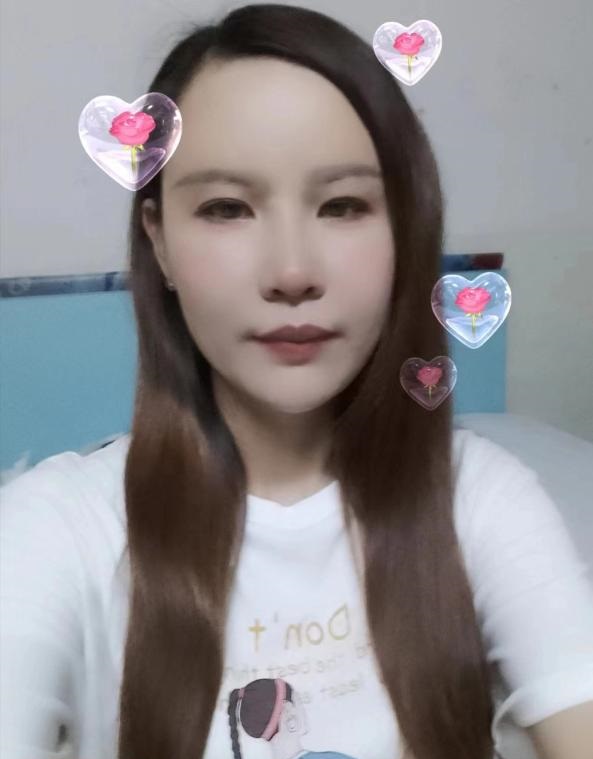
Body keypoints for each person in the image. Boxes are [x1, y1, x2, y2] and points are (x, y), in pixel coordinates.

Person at [2, 4, 593, 759]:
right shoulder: (53, 532)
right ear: (160, 240)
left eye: (343, 205)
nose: (291, 271)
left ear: (403, 227)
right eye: (226, 208)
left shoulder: (482, 501)